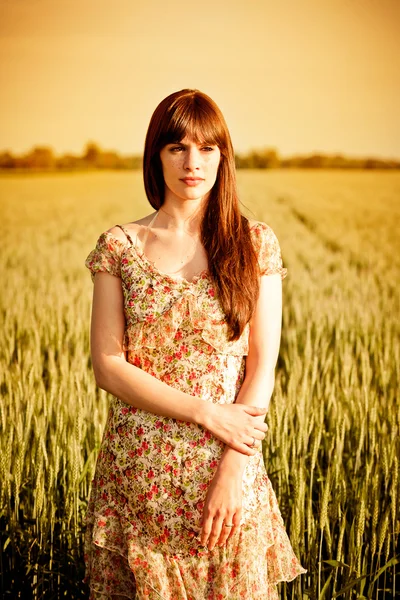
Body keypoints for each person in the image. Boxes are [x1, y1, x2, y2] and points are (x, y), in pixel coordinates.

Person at [83, 88, 306, 600]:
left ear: (222, 156)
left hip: (226, 469)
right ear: (155, 155)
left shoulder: (254, 244)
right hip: (140, 477)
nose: (192, 162)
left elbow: (261, 367)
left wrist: (235, 466)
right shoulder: (120, 246)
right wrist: (208, 412)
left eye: (207, 148)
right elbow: (108, 365)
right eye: (177, 147)